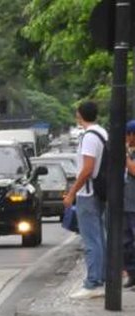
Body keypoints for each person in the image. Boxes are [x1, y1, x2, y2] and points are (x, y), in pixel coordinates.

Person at [63, 101, 108, 299]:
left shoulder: (89, 137)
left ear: (79, 115)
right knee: (99, 237)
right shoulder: (102, 132)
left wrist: (72, 192)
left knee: (91, 240)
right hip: (98, 192)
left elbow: (87, 168)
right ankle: (102, 278)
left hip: (88, 194)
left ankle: (93, 282)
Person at [124, 120, 135, 289]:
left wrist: (124, 156)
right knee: (125, 242)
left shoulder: (129, 155)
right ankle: (132, 274)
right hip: (126, 204)